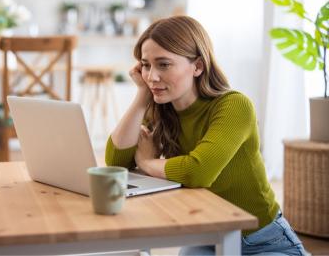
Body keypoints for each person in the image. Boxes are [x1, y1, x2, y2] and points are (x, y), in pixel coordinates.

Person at [105, 16, 307, 256]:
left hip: (263, 242)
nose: (151, 77)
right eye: (146, 65)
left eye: (164, 64)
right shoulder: (161, 106)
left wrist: (147, 162)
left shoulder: (234, 106)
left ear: (198, 66)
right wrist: (141, 96)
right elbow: (116, 163)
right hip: (209, 236)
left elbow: (198, 172)